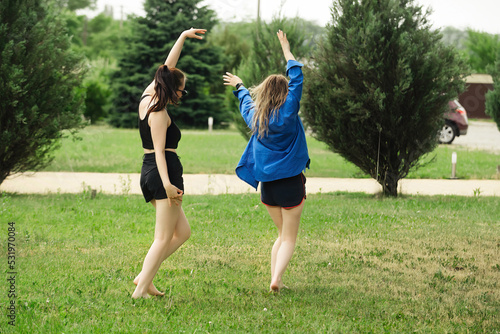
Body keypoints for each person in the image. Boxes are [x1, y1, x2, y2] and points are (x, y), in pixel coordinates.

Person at [223, 30, 310, 292]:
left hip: (268, 186)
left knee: (281, 234)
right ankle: (275, 278)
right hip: (291, 182)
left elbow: (245, 101)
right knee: (290, 237)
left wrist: (239, 84)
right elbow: (296, 78)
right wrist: (286, 49)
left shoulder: (256, 117)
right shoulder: (289, 111)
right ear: (284, 94)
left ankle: (277, 280)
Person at [132, 28, 206, 299]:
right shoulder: (159, 114)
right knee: (163, 237)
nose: (181, 94)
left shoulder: (148, 96)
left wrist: (183, 37)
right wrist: (167, 184)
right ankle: (139, 290)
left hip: (150, 170)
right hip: (162, 173)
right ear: (171, 89)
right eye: (181, 91)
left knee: (182, 232)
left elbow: (167, 67)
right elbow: (160, 152)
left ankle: (145, 277)